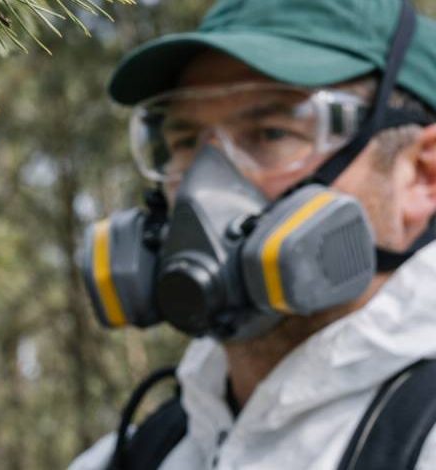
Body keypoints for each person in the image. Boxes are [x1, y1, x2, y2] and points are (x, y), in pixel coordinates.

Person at [70, 0, 436, 468]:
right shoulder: (137, 453)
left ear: (422, 176)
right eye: (184, 142)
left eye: (271, 133)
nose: (202, 185)